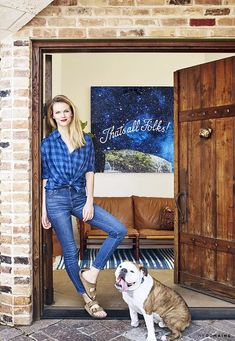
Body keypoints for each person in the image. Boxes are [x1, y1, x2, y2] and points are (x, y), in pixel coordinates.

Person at [41, 95, 127, 318]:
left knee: (118, 230)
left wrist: (89, 201)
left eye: (66, 111)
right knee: (70, 251)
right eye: (57, 112)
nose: (62, 115)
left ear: (72, 113)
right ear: (52, 116)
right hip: (55, 199)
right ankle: (88, 299)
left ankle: (92, 273)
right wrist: (44, 210)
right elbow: (44, 179)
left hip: (80, 197)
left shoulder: (85, 140)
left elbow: (90, 172)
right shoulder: (48, 143)